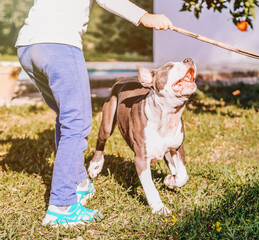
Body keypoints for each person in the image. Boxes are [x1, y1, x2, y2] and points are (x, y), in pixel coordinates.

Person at [16, 0, 173, 227]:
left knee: (66, 116)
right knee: (76, 122)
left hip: (29, 46)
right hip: (59, 44)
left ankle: (78, 183)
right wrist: (143, 16)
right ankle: (61, 207)